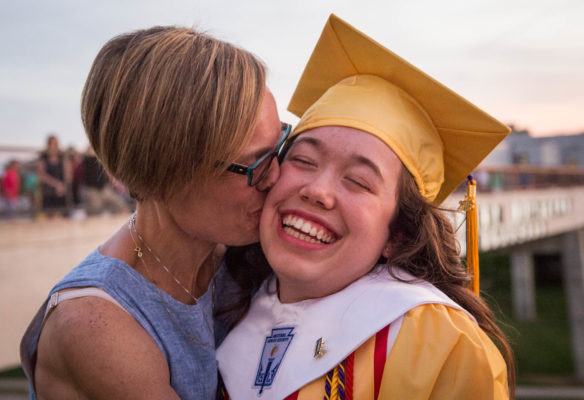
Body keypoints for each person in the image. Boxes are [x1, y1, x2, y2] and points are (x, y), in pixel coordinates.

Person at [217, 15, 514, 399]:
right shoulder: (221, 300)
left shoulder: (437, 344)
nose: (318, 191)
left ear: (398, 233)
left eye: (358, 181)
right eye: (304, 161)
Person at [21, 26, 288, 400]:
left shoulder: (229, 251)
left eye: (280, 145)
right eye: (253, 164)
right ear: (165, 175)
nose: (276, 176)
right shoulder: (96, 325)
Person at [37, 134, 71, 218]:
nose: (53, 146)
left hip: (62, 191)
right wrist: (56, 184)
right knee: (50, 216)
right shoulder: (43, 157)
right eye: (51, 144)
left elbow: (68, 174)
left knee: (64, 216)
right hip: (49, 192)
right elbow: (41, 175)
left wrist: (63, 186)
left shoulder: (62, 157)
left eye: (55, 144)